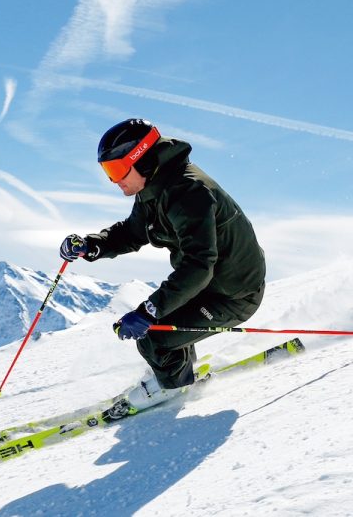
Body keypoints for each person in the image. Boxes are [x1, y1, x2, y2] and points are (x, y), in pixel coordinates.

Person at [59, 118, 266, 412]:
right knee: (160, 328)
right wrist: (92, 244)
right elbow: (132, 232)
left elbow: (198, 265)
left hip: (233, 293)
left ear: (141, 159)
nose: (115, 180)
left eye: (117, 169)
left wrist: (150, 310)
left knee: (154, 336)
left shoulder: (189, 193)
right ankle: (175, 369)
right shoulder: (154, 187)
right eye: (108, 171)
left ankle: (173, 387)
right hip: (208, 285)